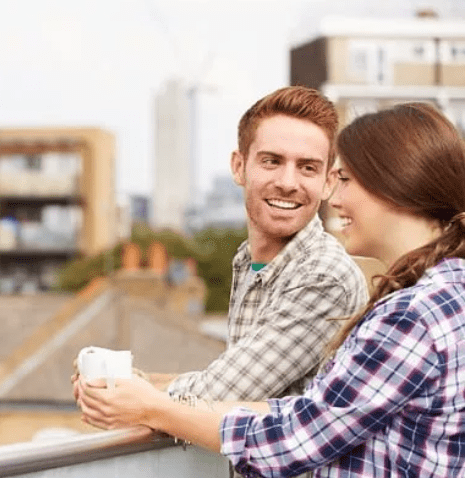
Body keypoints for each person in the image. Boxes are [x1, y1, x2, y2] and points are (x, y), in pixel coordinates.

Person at [77, 102, 465, 477]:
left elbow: (294, 438)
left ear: (395, 183)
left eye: (344, 179)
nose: (335, 197)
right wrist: (145, 389)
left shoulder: (411, 314)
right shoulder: (445, 294)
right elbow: (315, 409)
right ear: (238, 165)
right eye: (272, 161)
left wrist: (149, 408)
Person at [75, 86, 368, 404]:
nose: (287, 182)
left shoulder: (324, 276)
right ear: (239, 167)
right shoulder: (250, 261)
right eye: (271, 161)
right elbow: (229, 377)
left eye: (307, 167)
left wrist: (124, 392)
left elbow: (218, 397)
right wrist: (133, 381)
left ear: (327, 182)